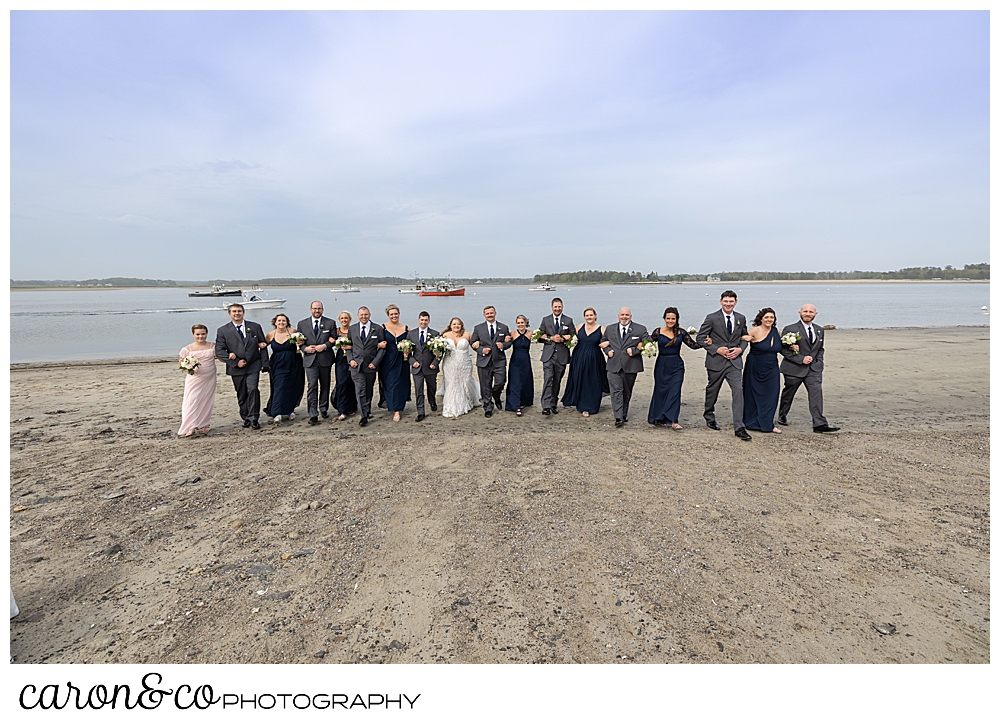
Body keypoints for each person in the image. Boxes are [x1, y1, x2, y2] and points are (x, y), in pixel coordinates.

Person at [697, 290, 752, 440]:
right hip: (716, 362)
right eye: (726, 301)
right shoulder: (712, 318)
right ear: (721, 301)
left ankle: (739, 427)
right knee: (712, 390)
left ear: (736, 302)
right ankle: (709, 416)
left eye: (731, 301)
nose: (728, 304)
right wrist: (716, 349)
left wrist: (741, 349)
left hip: (734, 363)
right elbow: (700, 338)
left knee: (738, 391)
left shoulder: (741, 318)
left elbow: (744, 337)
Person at [778, 304, 840, 433]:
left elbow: (820, 349)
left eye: (811, 312)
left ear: (815, 314)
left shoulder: (819, 330)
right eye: (805, 311)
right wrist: (801, 359)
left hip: (813, 370)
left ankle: (819, 424)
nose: (808, 314)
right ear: (799, 312)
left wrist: (819, 363)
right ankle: (782, 414)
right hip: (794, 369)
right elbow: (783, 349)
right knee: (788, 394)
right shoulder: (790, 329)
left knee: (816, 394)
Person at [647, 307, 703, 429]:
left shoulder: (681, 333)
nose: (670, 321)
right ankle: (660, 418)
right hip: (661, 365)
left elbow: (693, 345)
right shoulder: (658, 331)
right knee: (660, 391)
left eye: (673, 318)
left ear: (677, 319)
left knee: (675, 392)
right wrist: (641, 345)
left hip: (677, 365)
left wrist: (706, 343)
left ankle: (674, 420)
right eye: (668, 318)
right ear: (664, 319)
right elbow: (647, 343)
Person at [215, 303, 269, 429]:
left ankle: (254, 417)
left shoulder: (255, 327)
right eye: (234, 311)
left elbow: (263, 345)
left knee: (253, 390)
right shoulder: (223, 330)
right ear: (229, 314)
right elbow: (220, 351)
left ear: (243, 312)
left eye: (239, 311)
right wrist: (235, 361)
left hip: (253, 365)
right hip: (236, 367)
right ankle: (245, 417)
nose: (237, 313)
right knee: (242, 393)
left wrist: (265, 364)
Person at [600, 307, 649, 428]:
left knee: (627, 391)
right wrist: (607, 350)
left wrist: (635, 350)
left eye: (627, 315)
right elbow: (603, 340)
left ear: (630, 316)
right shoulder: (610, 328)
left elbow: (648, 343)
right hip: (613, 365)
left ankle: (624, 413)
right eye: (622, 315)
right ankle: (618, 417)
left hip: (630, 365)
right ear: (618, 316)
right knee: (616, 391)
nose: (624, 317)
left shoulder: (640, 329)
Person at [740, 308, 782, 433]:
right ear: (761, 318)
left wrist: (792, 346)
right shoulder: (754, 330)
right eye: (767, 317)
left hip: (772, 367)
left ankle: (768, 423)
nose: (769, 320)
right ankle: (751, 422)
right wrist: (743, 338)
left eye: (772, 317)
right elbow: (738, 338)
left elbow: (780, 348)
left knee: (772, 394)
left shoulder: (777, 331)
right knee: (752, 394)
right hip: (755, 366)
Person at [561, 307, 608, 417]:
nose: (589, 317)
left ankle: (592, 405)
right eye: (587, 315)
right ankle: (582, 405)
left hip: (594, 359)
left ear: (595, 316)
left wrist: (607, 342)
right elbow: (572, 338)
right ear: (584, 317)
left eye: (591, 315)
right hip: (579, 357)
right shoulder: (579, 327)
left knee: (593, 381)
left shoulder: (602, 329)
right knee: (580, 380)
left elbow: (612, 339)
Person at [296, 301, 336, 425]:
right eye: (314, 308)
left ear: (322, 310)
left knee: (325, 385)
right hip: (310, 360)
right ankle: (313, 413)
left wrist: (325, 345)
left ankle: (323, 409)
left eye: (319, 309)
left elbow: (334, 340)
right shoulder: (302, 324)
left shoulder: (330, 323)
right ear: (310, 309)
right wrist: (305, 349)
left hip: (325, 359)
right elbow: (299, 342)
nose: (317, 311)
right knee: (312, 386)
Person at [347, 306, 387, 427]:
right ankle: (363, 415)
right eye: (361, 315)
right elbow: (348, 347)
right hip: (356, 366)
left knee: (368, 389)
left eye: (366, 314)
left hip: (370, 366)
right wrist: (351, 360)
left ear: (369, 315)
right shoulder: (352, 329)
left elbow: (383, 349)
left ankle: (367, 409)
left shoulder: (377, 329)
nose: (363, 317)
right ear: (358, 315)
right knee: (360, 390)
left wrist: (375, 362)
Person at [263, 313, 305, 423]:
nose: (281, 323)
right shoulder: (270, 335)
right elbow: (263, 346)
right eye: (279, 321)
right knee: (279, 386)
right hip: (277, 364)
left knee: (292, 386)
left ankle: (289, 410)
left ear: (287, 322)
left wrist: (300, 342)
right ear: (275, 322)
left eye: (284, 321)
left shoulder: (293, 332)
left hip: (294, 362)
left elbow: (302, 342)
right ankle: (276, 412)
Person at [470, 306, 512, 418]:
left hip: (499, 361)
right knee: (485, 386)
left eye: (491, 313)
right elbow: (473, 343)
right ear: (484, 315)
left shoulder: (503, 327)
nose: (490, 315)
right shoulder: (478, 328)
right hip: (484, 361)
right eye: (487, 313)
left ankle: (496, 395)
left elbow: (509, 342)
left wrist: (503, 345)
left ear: (495, 313)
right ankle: (488, 407)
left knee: (501, 382)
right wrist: (481, 350)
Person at [177, 323, 218, 436]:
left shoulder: (213, 346)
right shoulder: (187, 349)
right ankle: (191, 426)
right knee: (192, 400)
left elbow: (221, 357)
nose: (201, 336)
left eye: (203, 334)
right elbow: (180, 363)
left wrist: (231, 356)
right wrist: (188, 369)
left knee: (206, 399)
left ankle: (204, 424)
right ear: (193, 334)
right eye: (198, 334)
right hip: (195, 378)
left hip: (210, 377)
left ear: (207, 334)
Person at [537, 298, 574, 415]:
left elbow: (574, 337)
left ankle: (553, 403)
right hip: (548, 355)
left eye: (559, 307)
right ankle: (546, 406)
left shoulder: (568, 320)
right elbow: (539, 336)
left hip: (562, 355)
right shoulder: (545, 320)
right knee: (548, 378)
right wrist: (551, 338)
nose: (557, 309)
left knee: (557, 380)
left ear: (562, 307)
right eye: (555, 307)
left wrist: (564, 339)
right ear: (551, 307)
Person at [440, 317, 481, 418]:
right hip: (450, 363)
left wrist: (478, 343)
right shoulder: (445, 335)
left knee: (466, 381)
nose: (456, 326)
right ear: (450, 325)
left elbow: (475, 345)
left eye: (458, 324)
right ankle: (452, 407)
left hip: (465, 363)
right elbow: (438, 348)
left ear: (461, 325)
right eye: (454, 324)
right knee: (452, 383)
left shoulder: (467, 335)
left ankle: (469, 399)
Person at [381, 303, 412, 422]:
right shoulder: (382, 327)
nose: (394, 316)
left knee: (401, 383)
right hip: (387, 360)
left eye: (396, 314)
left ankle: (399, 406)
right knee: (390, 384)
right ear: (388, 315)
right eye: (391, 314)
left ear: (399, 314)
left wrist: (408, 350)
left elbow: (410, 344)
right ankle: (395, 409)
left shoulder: (406, 328)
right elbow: (377, 342)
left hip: (402, 360)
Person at [407, 311, 440, 421]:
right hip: (417, 368)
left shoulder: (435, 334)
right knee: (418, 389)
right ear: (418, 320)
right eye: (422, 320)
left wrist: (435, 363)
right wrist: (412, 361)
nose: (423, 322)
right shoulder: (411, 334)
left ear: (429, 321)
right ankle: (421, 412)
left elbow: (440, 352)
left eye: (426, 320)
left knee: (432, 388)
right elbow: (406, 352)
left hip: (430, 367)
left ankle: (432, 401)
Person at [505, 315, 535, 416]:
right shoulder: (512, 333)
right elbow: (504, 341)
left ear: (526, 323)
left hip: (526, 360)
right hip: (515, 361)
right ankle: (516, 405)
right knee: (515, 382)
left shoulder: (531, 333)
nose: (520, 325)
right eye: (518, 323)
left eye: (522, 323)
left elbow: (542, 338)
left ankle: (523, 401)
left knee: (525, 381)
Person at [331, 311, 358, 421]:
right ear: (339, 319)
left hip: (352, 358)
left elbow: (358, 345)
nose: (344, 320)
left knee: (351, 382)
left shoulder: (354, 330)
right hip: (341, 359)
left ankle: (351, 407)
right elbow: (330, 340)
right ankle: (341, 409)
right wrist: (333, 341)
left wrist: (349, 347)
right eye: (342, 318)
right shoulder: (336, 331)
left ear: (350, 319)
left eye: (346, 318)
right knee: (341, 383)